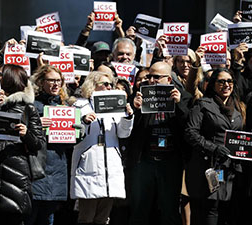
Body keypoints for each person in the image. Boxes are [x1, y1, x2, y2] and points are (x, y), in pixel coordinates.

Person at [0, 64, 45, 225]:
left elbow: (38, 144)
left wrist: (25, 134)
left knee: (12, 217)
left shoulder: (28, 109)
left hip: (16, 175)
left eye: (1, 76)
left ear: (9, 80)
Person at [128, 62, 191, 225]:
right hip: (144, 161)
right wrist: (135, 110)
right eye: (149, 76)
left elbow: (190, 129)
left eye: (157, 77)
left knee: (169, 210)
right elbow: (127, 131)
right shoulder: (138, 97)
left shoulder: (184, 97)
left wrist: (179, 106)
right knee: (139, 209)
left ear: (168, 79)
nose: (151, 80)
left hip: (170, 162)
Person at [70, 71, 134, 225]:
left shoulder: (114, 106)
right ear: (92, 86)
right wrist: (84, 121)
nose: (108, 87)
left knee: (103, 218)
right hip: (89, 165)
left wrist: (128, 117)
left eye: (110, 84)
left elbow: (123, 134)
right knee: (86, 217)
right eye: (104, 84)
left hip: (110, 167)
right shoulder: (79, 105)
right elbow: (71, 133)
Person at [185, 68, 245, 225]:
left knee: (225, 211)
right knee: (209, 211)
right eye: (222, 81)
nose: (226, 84)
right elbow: (191, 133)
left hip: (229, 170)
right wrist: (213, 148)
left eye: (230, 81)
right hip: (207, 167)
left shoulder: (237, 108)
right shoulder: (203, 104)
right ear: (213, 85)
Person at [27, 64, 71, 225]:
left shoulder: (65, 108)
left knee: (48, 220)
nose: (55, 84)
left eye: (59, 81)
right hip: (37, 168)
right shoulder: (31, 105)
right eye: (51, 80)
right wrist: (35, 123)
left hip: (57, 170)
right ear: (41, 82)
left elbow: (70, 144)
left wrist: (78, 131)